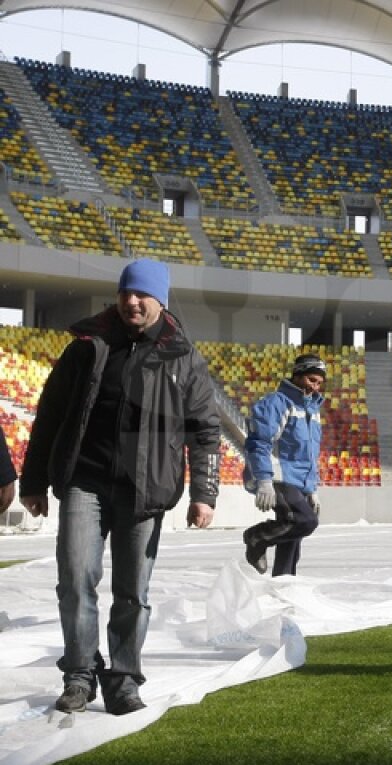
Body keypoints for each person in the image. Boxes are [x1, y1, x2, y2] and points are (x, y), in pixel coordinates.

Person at [19, 258, 221, 715]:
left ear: (160, 301)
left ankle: (124, 679)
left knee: (133, 594)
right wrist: (33, 480)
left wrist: (204, 494)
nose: (132, 301)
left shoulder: (183, 357)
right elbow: (49, 415)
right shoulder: (87, 348)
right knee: (75, 580)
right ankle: (79, 675)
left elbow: (205, 429)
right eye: (126, 293)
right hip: (83, 482)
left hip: (146, 491)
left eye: (142, 294)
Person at [241, 353, 324, 576]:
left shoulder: (312, 410)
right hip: (275, 475)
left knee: (293, 532)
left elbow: (309, 454)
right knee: (305, 520)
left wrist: (311, 489)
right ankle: (256, 537)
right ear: (297, 376)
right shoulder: (276, 403)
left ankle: (284, 581)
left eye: (318, 382)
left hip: (297, 480)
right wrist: (264, 481)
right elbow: (259, 443)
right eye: (311, 380)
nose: (315, 387)